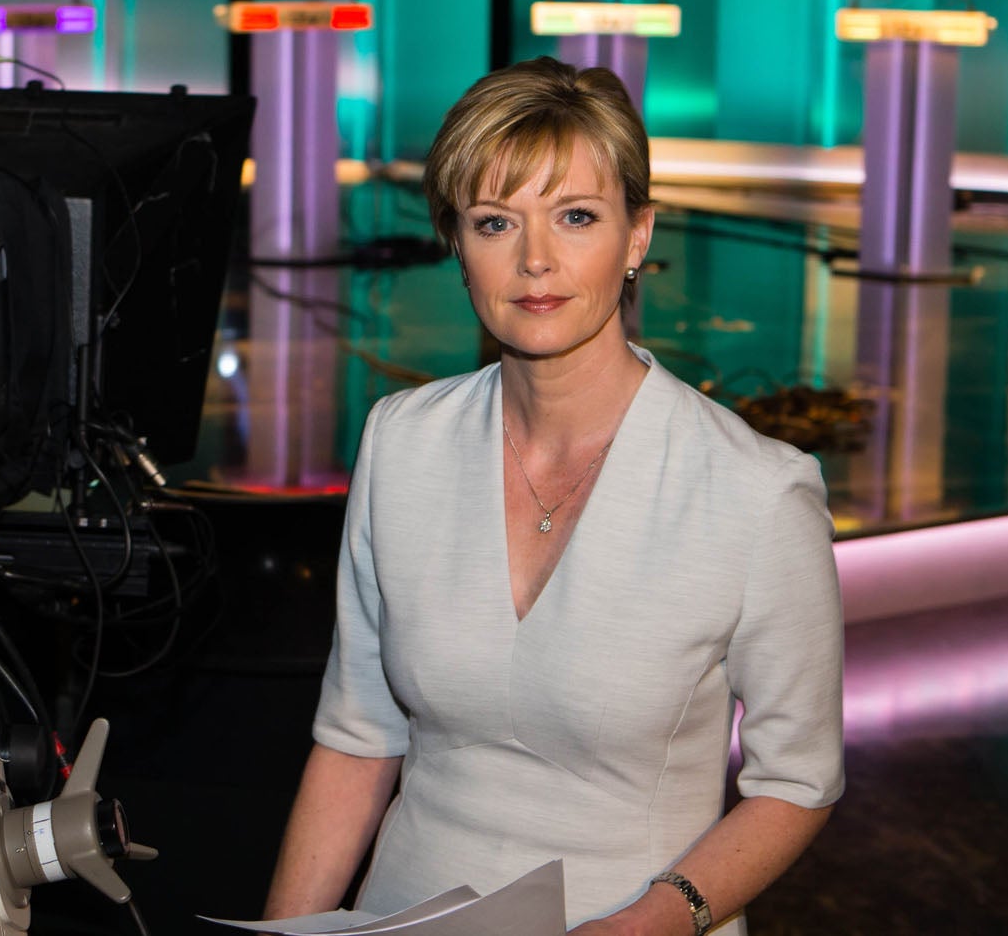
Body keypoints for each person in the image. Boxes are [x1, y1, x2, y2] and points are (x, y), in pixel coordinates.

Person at [263, 58, 844, 935]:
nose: (536, 260)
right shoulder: (401, 441)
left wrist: (660, 917)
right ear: (457, 244)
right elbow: (356, 738)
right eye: (497, 222)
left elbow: (795, 783)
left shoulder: (757, 492)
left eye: (576, 216)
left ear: (638, 236)